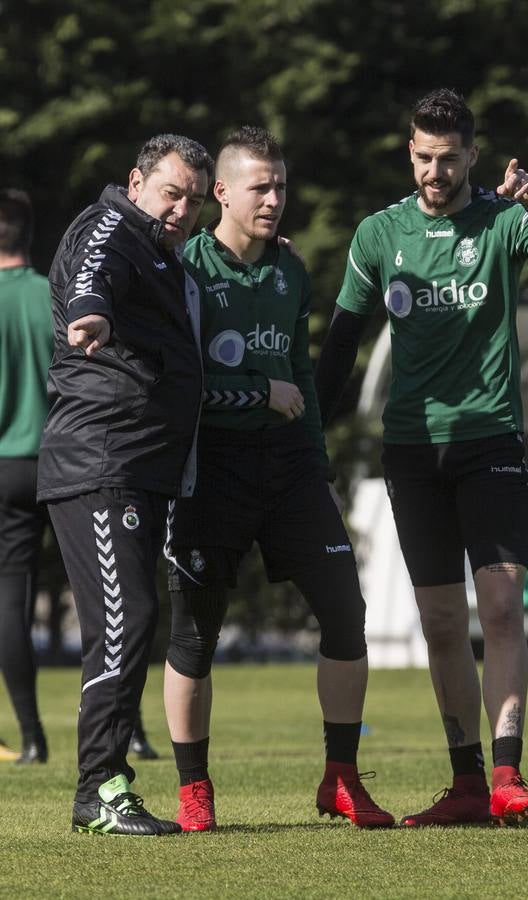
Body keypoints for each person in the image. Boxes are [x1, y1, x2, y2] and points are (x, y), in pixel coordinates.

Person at [315, 88, 528, 827]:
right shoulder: (378, 234)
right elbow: (342, 341)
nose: (434, 171)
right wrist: (308, 424)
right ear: (410, 154)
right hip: (411, 452)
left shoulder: (502, 221)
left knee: (499, 608)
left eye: (448, 158)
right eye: (423, 158)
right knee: (439, 623)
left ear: (472, 155)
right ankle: (466, 781)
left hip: (490, 441)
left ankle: (506, 774)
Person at [163, 125, 394, 832]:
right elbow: (180, 385)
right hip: (211, 469)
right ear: (222, 193)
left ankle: (341, 777)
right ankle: (193, 786)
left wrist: (319, 470)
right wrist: (257, 390)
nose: (273, 198)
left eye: (280, 186)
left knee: (346, 615)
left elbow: (301, 379)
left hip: (288, 467)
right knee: (195, 637)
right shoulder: (184, 271)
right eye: (259, 186)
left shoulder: (290, 272)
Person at [37, 134, 214, 836]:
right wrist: (94, 312)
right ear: (136, 182)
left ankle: (103, 787)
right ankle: (99, 790)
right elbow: (95, 274)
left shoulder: (161, 247)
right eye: (172, 193)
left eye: (194, 202)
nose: (181, 210)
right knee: (123, 620)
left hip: (133, 467)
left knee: (129, 619)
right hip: (99, 462)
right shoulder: (112, 227)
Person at [0, 189, 53, 765]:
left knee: (10, 602)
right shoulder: (52, 296)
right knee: (102, 597)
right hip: (63, 462)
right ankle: (130, 728)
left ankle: (32, 736)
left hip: (3, 467)